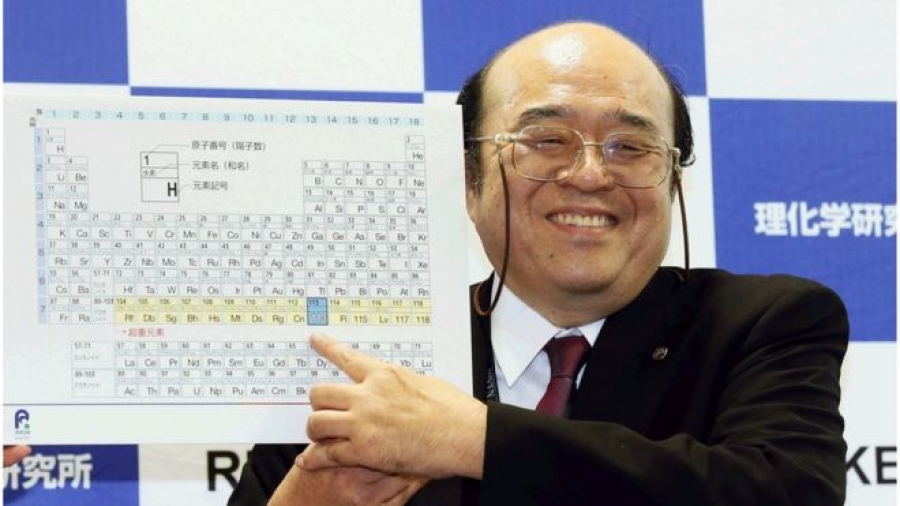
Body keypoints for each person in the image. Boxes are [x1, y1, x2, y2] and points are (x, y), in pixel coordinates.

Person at [229, 21, 848, 505]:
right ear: (468, 180)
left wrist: (474, 439)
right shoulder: (365, 362)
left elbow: (785, 492)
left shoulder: (760, 324)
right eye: (547, 140)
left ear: (672, 182)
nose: (590, 174)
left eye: (630, 146)